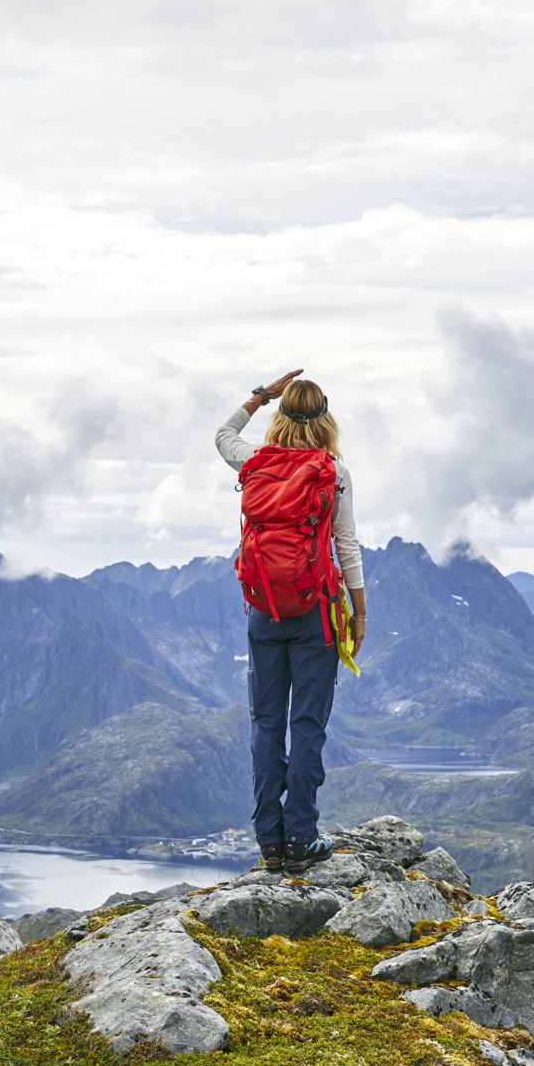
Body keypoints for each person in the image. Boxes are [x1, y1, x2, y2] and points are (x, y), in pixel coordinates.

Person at [215, 371, 366, 874]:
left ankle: (269, 840)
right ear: (326, 419)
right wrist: (359, 611)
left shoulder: (254, 462)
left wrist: (259, 396)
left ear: (280, 417)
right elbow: (345, 546)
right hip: (316, 612)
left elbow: (222, 435)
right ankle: (301, 836)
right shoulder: (333, 472)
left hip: (263, 609)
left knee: (266, 721)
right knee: (306, 723)